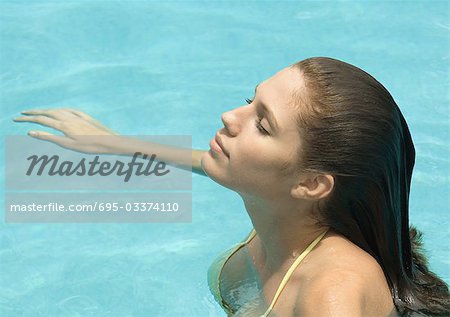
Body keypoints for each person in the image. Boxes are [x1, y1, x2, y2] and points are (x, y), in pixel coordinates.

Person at [14, 57, 450, 316]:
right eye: (249, 100)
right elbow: (210, 164)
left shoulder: (332, 293)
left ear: (311, 183)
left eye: (262, 124)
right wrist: (111, 143)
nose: (229, 117)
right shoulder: (282, 207)